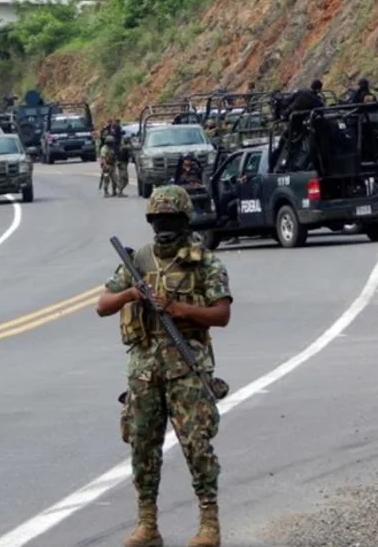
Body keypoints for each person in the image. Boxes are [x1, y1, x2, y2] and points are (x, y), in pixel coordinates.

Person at [96, 185, 233, 547]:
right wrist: (131, 294)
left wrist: (178, 309)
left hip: (187, 369)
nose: (164, 227)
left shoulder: (204, 261)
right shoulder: (138, 261)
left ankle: (209, 524)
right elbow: (102, 305)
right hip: (144, 370)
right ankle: (147, 524)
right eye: (158, 220)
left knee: (196, 444)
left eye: (171, 220)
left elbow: (222, 314)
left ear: (185, 221)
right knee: (142, 445)